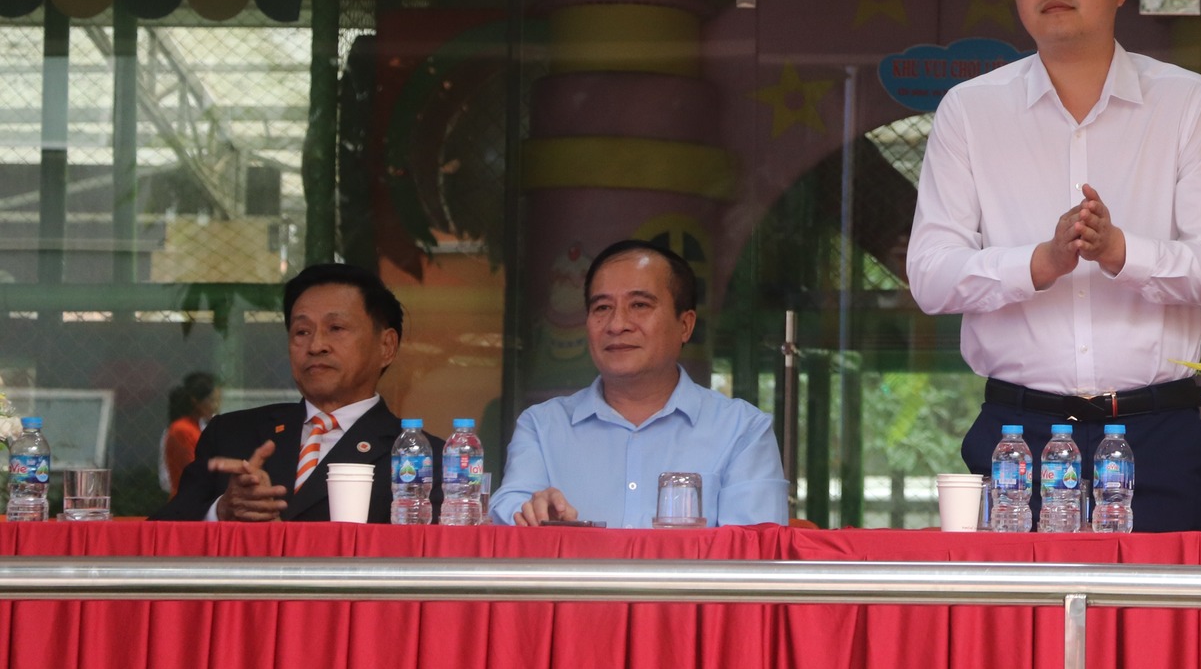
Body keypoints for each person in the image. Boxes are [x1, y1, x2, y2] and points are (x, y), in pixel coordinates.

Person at [907, 0, 1201, 532]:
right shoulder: (970, 110)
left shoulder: (1187, 102)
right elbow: (929, 275)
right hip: (1017, 435)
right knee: (1015, 603)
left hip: (1156, 434)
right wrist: (1040, 262)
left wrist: (1121, 252)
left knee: (1166, 600)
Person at [494, 239, 788, 529]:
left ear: (685, 325)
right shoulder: (542, 427)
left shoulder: (742, 431)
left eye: (639, 305)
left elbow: (756, 547)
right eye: (602, 308)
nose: (617, 324)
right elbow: (509, 508)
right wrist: (532, 514)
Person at [153, 264, 437, 523]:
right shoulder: (231, 434)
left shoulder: (425, 459)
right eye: (302, 332)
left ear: (386, 346)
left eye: (336, 328)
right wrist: (221, 510)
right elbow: (160, 535)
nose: (316, 346)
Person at [158, 371, 219, 497]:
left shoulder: (196, 427)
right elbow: (195, 474)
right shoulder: (182, 430)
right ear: (196, 401)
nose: (215, 407)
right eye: (212, 401)